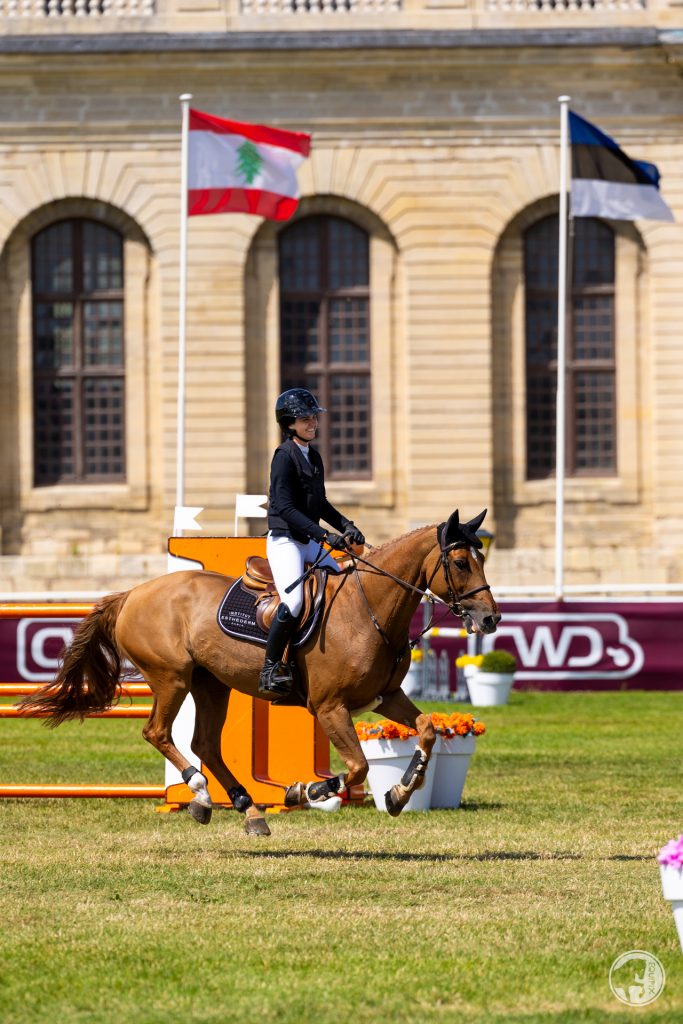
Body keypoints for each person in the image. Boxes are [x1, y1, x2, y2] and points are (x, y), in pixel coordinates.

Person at [259, 387, 365, 700]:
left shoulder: (313, 456)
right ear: (290, 423)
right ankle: (270, 667)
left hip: (308, 540)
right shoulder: (283, 457)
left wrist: (345, 525)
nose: (313, 423)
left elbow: (320, 504)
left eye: (314, 417)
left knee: (344, 590)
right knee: (293, 603)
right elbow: (286, 508)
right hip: (285, 542)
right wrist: (323, 536)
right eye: (307, 418)